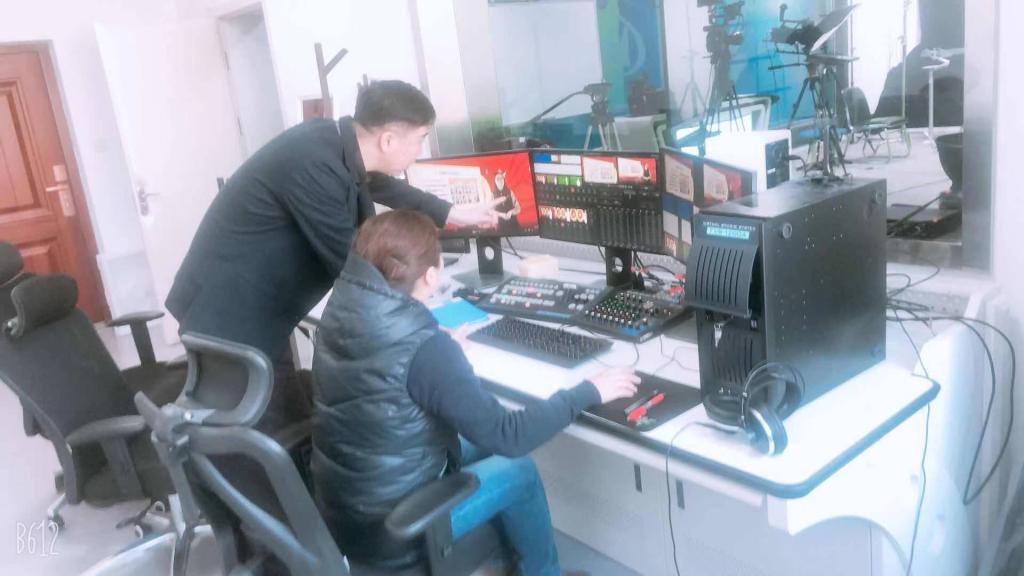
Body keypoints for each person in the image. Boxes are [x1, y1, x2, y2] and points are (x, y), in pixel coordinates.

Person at [312, 210, 641, 575]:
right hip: (397, 530)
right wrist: (588, 390)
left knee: (478, 444)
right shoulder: (425, 349)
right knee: (520, 469)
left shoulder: (345, 308)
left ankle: (511, 559)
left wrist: (438, 351)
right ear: (432, 275)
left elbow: (389, 370)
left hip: (345, 509)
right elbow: (509, 435)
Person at [165, 80, 502, 434]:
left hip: (259, 308)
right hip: (229, 316)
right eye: (419, 139)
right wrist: (422, 328)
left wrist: (453, 213)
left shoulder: (333, 143)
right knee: (268, 433)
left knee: (293, 414)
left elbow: (378, 183)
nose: (419, 151)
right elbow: (356, 270)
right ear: (388, 140)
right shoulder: (313, 165)